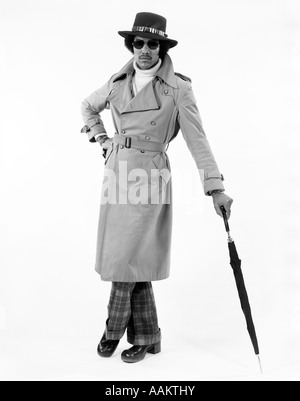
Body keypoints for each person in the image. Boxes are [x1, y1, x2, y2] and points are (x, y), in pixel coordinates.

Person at [81, 12, 233, 364]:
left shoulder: (178, 89)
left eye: (152, 44)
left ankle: (113, 329)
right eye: (138, 43)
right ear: (130, 46)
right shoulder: (118, 82)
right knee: (132, 260)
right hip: (117, 172)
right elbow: (88, 107)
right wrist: (101, 139)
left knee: (127, 257)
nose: (145, 50)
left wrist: (215, 187)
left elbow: (198, 141)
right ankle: (149, 336)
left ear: (162, 47)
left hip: (149, 177)